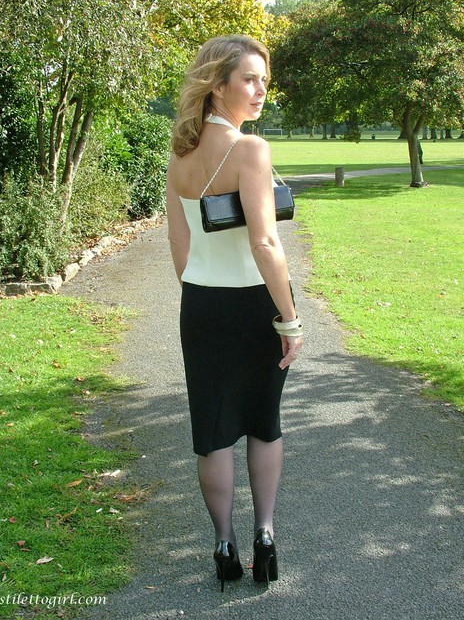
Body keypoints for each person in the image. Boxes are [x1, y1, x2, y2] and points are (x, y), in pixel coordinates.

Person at [166, 34, 303, 591]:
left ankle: (223, 543)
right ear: (217, 85)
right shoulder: (251, 150)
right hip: (254, 306)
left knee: (213, 431)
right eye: (249, 79)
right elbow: (266, 245)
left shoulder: (179, 152)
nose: (260, 89)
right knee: (263, 426)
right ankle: (264, 536)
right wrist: (290, 319)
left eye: (264, 79)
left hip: (199, 302)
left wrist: (201, 296)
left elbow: (179, 245)